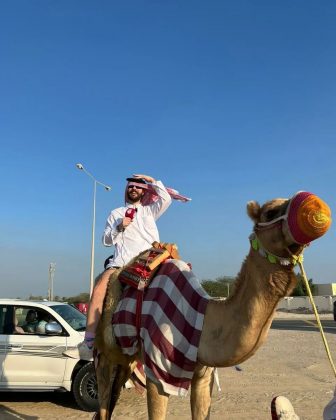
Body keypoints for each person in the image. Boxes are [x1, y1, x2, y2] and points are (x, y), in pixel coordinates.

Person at [64, 173, 172, 360]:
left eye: (138, 187)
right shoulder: (115, 214)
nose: (134, 189)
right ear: (126, 190)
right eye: (131, 186)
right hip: (121, 263)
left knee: (176, 277)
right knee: (98, 290)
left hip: (147, 261)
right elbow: (105, 240)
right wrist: (119, 227)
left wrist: (152, 180)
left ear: (144, 191)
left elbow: (167, 199)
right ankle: (88, 343)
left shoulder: (149, 211)